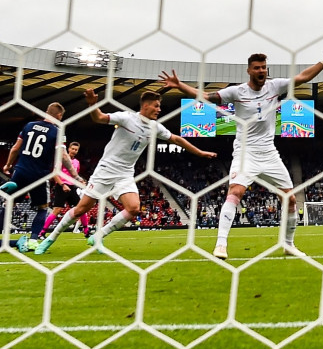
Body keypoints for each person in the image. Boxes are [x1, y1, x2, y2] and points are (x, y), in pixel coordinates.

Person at [159, 44, 323, 258]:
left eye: (264, 67)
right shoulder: (236, 92)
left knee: (291, 200)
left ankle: (288, 244)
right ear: (249, 70)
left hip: (269, 153)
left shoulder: (275, 86)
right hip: (245, 153)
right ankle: (221, 245)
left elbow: (303, 77)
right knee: (235, 193)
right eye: (257, 68)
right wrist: (179, 85)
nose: (261, 71)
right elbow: (206, 97)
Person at [35, 90, 215, 255]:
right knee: (82, 209)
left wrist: (199, 152)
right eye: (156, 105)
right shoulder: (126, 118)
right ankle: (50, 239)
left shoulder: (155, 127)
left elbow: (176, 138)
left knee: (134, 208)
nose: (159, 109)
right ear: (145, 105)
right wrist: (92, 104)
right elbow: (99, 118)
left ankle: (98, 237)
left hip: (125, 174)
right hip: (105, 170)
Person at [1, 103, 81, 252]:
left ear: (46, 112)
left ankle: (2, 238)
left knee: (9, 204)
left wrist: (7, 165)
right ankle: (33, 240)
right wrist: (75, 175)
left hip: (21, 171)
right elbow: (63, 156)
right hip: (39, 175)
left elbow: (15, 148)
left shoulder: (29, 125)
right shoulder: (57, 131)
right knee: (42, 208)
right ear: (59, 116)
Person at [41, 141, 91, 239]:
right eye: (72, 149)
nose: (74, 151)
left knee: (81, 208)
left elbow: (75, 175)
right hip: (61, 186)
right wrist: (62, 185)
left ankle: (86, 231)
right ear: (68, 149)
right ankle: (42, 232)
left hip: (72, 187)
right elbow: (55, 174)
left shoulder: (77, 162)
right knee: (57, 210)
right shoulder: (62, 159)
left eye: (76, 150)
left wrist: (81, 182)